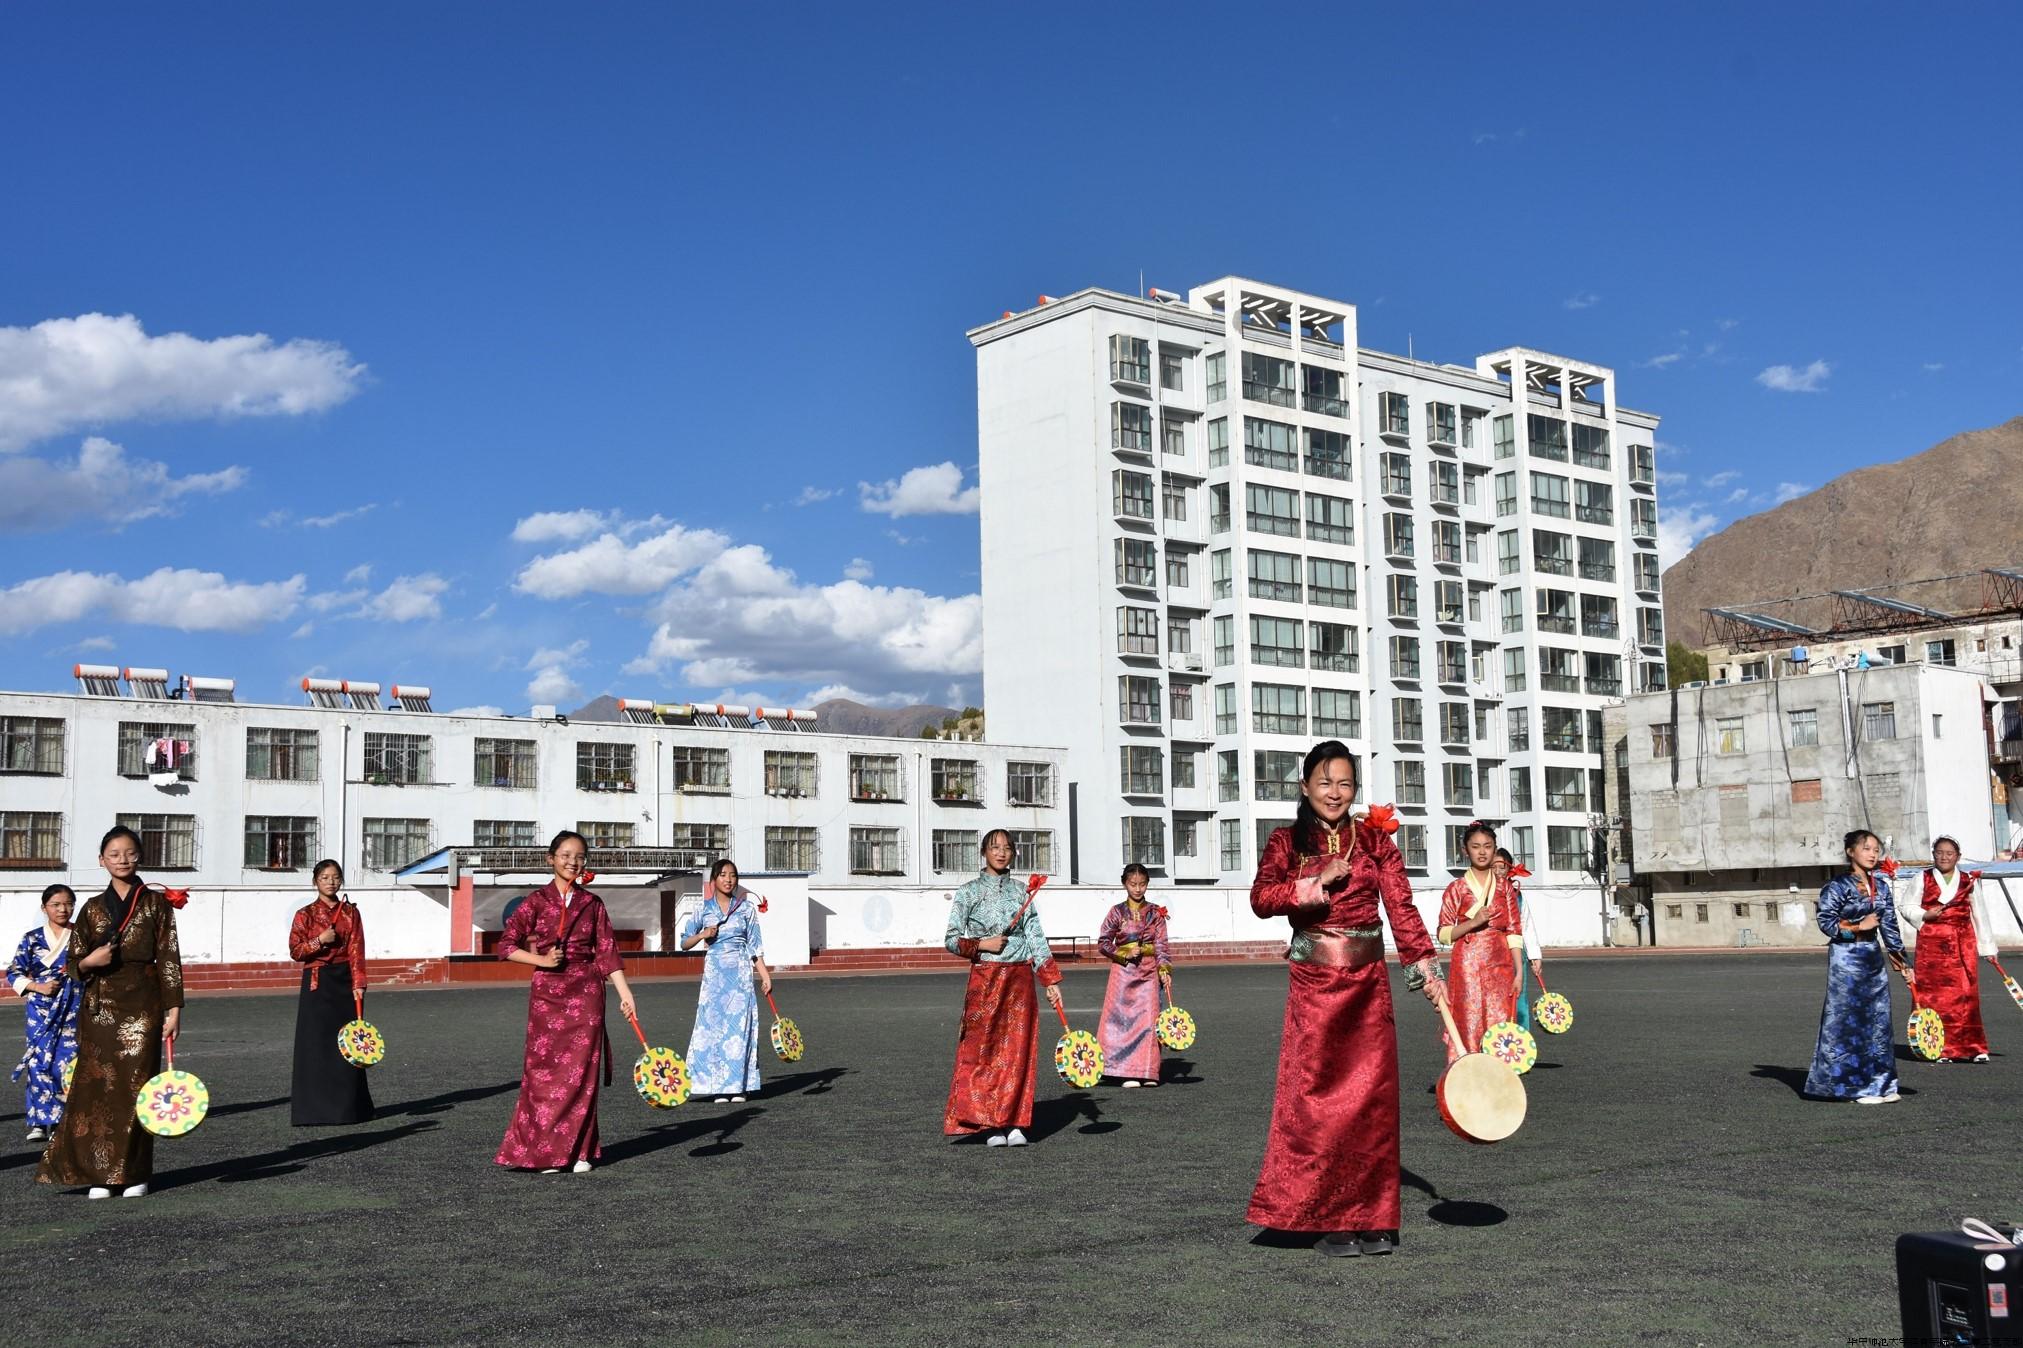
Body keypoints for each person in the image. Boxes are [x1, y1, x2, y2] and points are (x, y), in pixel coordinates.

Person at [1247, 741, 1445, 1256]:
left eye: (1345, 783)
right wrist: (1314, 881)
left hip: (1369, 985)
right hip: (1315, 988)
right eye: (1324, 782)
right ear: (1305, 786)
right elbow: (1262, 899)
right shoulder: (1286, 840)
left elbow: (1401, 906)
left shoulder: (1376, 841)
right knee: (1321, 1105)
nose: (1335, 793)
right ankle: (1331, 1216)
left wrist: (1425, 965)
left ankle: (1373, 1217)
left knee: (1371, 1103)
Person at [37, 825, 184, 1199]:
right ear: (101, 860)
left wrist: (174, 1007)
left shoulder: (156, 904)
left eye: (130, 853)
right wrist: (91, 960)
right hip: (100, 1007)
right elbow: (71, 965)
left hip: (143, 1004)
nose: (123, 859)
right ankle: (101, 1175)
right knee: (99, 1090)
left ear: (140, 857)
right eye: (114, 854)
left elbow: (168, 957)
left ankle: (133, 1173)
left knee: (136, 1089)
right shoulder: (91, 909)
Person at [496, 831, 637, 1173]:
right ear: (551, 858)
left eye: (579, 856)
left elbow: (606, 952)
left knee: (581, 1076)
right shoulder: (535, 902)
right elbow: (506, 946)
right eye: (565, 855)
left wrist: (625, 993)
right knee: (543, 1076)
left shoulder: (593, 904)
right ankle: (545, 1152)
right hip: (547, 996)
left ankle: (580, 1152)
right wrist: (541, 961)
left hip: (586, 993)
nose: (573, 861)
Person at [943, 828, 1064, 1147]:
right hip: (985, 980)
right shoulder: (967, 892)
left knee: (1017, 1052)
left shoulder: (1023, 892)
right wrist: (983, 943)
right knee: (984, 1052)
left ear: (1013, 853)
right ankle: (990, 1124)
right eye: (994, 847)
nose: (1001, 852)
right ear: (983, 852)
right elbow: (951, 939)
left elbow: (1036, 937)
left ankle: (1014, 1122)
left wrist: (1050, 981)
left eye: (1007, 848)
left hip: (1020, 981)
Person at [1804, 829, 1908, 1103]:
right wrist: (1857, 926)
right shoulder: (1836, 887)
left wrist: (1902, 964)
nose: (1873, 853)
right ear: (1851, 852)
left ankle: (1881, 1083)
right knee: (1849, 1022)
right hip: (1846, 958)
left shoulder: (1881, 887)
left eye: (1876, 849)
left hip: (1872, 958)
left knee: (1878, 1021)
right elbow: (1826, 923)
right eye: (1866, 848)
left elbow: (1890, 927)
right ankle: (1850, 1086)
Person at [287, 859, 374, 1125]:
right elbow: (295, 951)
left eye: (335, 877)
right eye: (325, 877)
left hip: (346, 982)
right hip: (316, 982)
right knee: (315, 1045)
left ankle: (349, 1109)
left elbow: (357, 948)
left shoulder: (351, 913)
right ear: (315, 881)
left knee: (348, 1044)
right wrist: (319, 941)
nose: (331, 882)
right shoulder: (305, 914)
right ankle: (312, 1110)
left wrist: (359, 983)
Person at [1896, 835, 1996, 1063]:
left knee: (1966, 994)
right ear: (1933, 855)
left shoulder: (1968, 879)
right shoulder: (1922, 877)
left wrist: (1987, 947)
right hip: (1932, 945)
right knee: (1934, 997)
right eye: (1939, 852)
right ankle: (1939, 1047)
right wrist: (1925, 915)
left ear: (1958, 856)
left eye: (1949, 853)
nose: (1944, 857)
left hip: (1963, 942)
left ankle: (1973, 1046)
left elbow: (1979, 913)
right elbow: (1906, 905)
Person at [680, 858, 773, 1103]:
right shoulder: (703, 910)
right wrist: (703, 934)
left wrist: (764, 976)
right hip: (715, 978)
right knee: (713, 1029)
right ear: (713, 881)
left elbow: (755, 946)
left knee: (740, 1029)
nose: (728, 879)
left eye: (732, 875)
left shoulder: (746, 910)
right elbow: (684, 942)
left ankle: (738, 1086)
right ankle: (718, 1087)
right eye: (722, 875)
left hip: (741, 976)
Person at [1435, 826, 1525, 1052]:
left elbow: (1514, 930)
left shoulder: (1505, 888)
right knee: (1469, 1018)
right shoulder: (1457, 888)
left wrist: (1519, 971)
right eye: (1475, 847)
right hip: (1467, 965)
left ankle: (1497, 1078)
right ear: (1466, 850)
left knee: (1500, 1017)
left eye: (1487, 847)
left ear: (1495, 850)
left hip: (1500, 964)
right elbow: (1443, 934)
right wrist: (1472, 923)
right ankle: (1467, 1075)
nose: (1482, 852)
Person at [9, 884, 80, 1143]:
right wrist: (37, 986)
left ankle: (62, 1119)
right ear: (44, 908)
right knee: (39, 1062)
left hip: (73, 1007)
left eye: (68, 903)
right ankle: (39, 1121)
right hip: (40, 1008)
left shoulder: (82, 935)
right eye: (56, 904)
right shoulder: (31, 938)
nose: (63, 909)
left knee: (67, 1061)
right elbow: (14, 972)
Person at [1096, 863, 1171, 1088]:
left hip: (1148, 972)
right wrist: (1124, 952)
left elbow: (1162, 945)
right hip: (1123, 973)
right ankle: (1122, 1070)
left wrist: (1164, 969)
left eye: (1142, 884)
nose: (1137, 889)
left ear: (1148, 884)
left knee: (1149, 1020)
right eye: (1133, 884)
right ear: (1124, 884)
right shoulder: (1116, 912)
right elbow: (1103, 943)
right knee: (1121, 1021)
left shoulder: (1156, 912)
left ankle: (1148, 1071)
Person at [1493, 849, 1548, 1033]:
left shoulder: (1517, 896)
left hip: (1516, 956)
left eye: (1502, 867)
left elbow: (1527, 925)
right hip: (1491, 954)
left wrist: (1534, 955)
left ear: (1510, 869)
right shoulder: (1483, 893)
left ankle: (1520, 1045)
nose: (1498, 871)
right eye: (1494, 866)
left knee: (1519, 998)